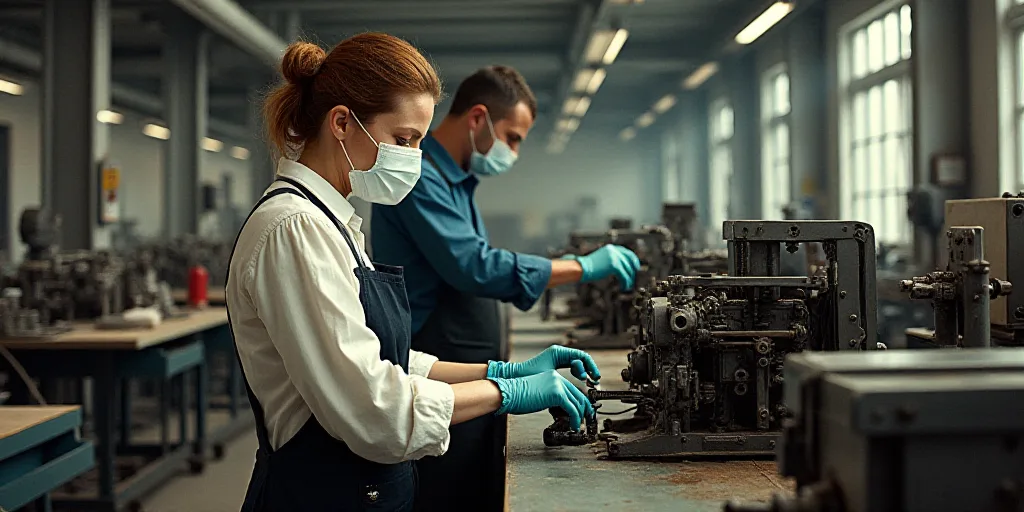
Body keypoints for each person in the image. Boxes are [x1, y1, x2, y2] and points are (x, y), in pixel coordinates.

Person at [226, 35, 602, 512]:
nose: (414, 157)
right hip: (322, 493)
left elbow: (389, 360)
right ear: (342, 122)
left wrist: (501, 371)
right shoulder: (295, 230)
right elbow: (376, 411)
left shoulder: (332, 221)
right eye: (403, 139)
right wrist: (504, 392)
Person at [371, 67, 641, 510]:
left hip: (465, 370)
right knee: (447, 494)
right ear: (478, 118)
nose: (513, 152)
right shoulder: (421, 180)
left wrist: (507, 373)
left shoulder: (457, 180)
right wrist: (581, 267)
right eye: (512, 138)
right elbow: (474, 267)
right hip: (436, 365)